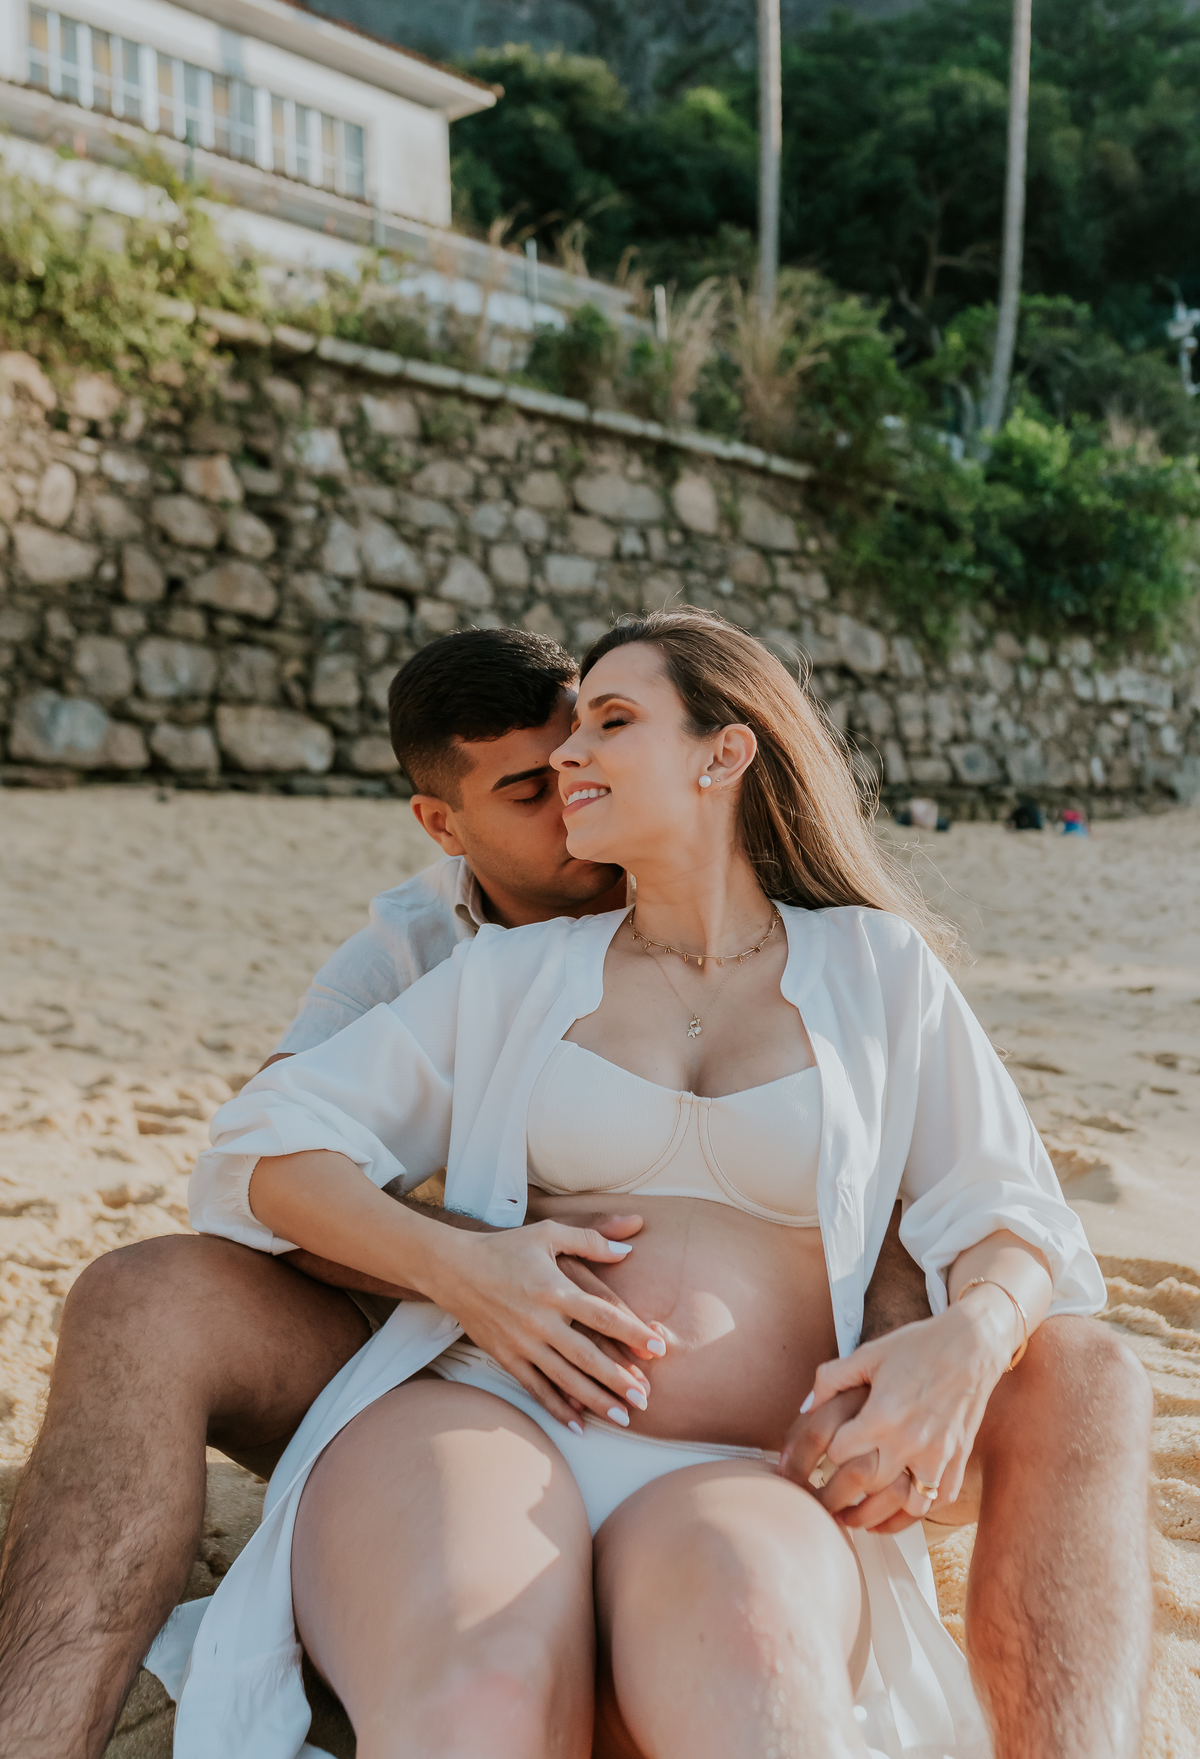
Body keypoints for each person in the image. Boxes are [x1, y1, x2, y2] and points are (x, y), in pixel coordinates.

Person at [0, 626, 1150, 1759]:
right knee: (478, 1695)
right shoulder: (495, 970)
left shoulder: (878, 969)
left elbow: (1006, 1206)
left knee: (755, 1671)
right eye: (555, 750)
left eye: (609, 724)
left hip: (744, 1464)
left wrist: (964, 1335)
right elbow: (261, 1145)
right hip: (482, 1414)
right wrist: (470, 1265)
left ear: (724, 754)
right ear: (445, 823)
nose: (569, 762)